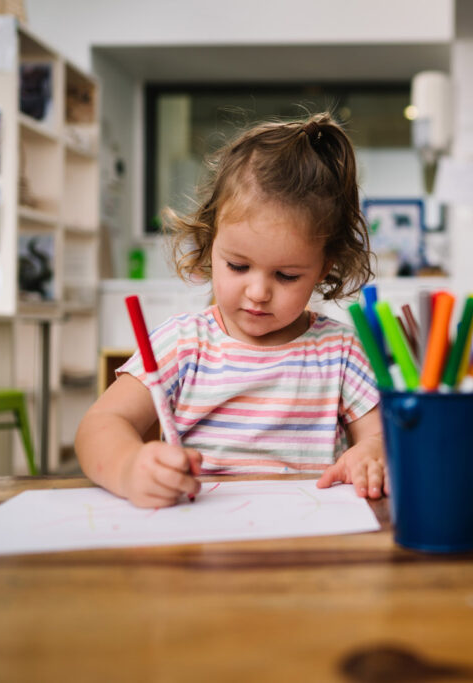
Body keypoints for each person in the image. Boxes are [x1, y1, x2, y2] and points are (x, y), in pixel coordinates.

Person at [76, 112, 386, 508]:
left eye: (287, 275)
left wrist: (371, 455)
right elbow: (99, 426)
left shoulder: (340, 351)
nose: (257, 292)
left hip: (309, 548)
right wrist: (128, 466)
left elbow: (378, 439)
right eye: (238, 266)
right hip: (202, 545)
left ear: (323, 269)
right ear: (210, 243)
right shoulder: (183, 343)